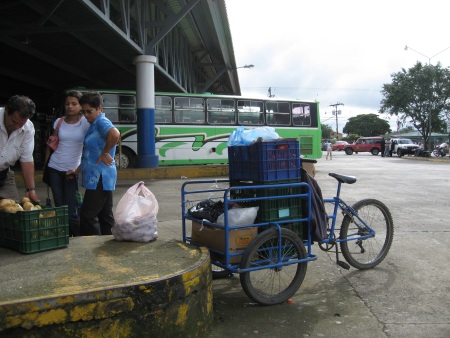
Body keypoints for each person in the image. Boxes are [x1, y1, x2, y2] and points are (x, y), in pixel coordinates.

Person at [68, 92, 120, 236]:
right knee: (105, 215)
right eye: (83, 112)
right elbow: (89, 155)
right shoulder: (93, 124)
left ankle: (91, 247)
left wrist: (105, 153)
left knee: (87, 215)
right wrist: (77, 170)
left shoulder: (101, 122)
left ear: (99, 109)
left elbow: (115, 134)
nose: (86, 115)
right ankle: (109, 244)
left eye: (89, 111)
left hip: (100, 176)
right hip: (98, 175)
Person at [44, 91, 90, 236]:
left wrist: (78, 169)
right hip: (54, 167)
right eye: (67, 103)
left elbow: (90, 147)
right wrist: (46, 166)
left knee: (71, 209)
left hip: (71, 171)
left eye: (74, 104)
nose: (69, 106)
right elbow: (51, 144)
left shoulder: (86, 123)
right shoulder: (59, 121)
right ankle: (62, 236)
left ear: (80, 106)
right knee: (59, 207)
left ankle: (75, 237)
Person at [0, 95, 40, 203]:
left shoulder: (28, 128)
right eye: (13, 121)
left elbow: (26, 159)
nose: (17, 127)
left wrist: (31, 189)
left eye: (21, 124)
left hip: (4, 173)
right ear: (6, 110)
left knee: (14, 211)